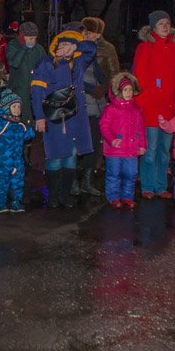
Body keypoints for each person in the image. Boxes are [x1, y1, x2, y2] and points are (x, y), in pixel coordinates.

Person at [30, 30, 97, 208]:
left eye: (68, 45)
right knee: (54, 157)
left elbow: (92, 48)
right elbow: (36, 91)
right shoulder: (46, 62)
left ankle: (65, 195)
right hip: (54, 117)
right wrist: (39, 117)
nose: (64, 48)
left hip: (76, 117)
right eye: (62, 45)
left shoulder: (79, 61)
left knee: (71, 156)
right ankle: (53, 196)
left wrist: (77, 46)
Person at [131, 10, 175, 199]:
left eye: (167, 23)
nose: (165, 26)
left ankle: (161, 185)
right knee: (151, 149)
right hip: (151, 107)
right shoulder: (145, 47)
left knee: (164, 150)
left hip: (170, 107)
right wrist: (140, 103)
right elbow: (138, 78)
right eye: (161, 23)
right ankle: (147, 185)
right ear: (153, 26)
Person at [77, 17, 121, 197]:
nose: (89, 35)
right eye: (86, 32)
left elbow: (111, 72)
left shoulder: (105, 49)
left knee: (94, 141)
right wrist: (91, 88)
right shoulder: (76, 48)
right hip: (80, 101)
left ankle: (87, 178)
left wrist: (105, 88)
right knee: (80, 142)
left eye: (92, 32)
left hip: (98, 101)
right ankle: (74, 178)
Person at [0, 89, 35, 212]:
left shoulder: (20, 125)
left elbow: (27, 135)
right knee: (2, 183)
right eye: (14, 106)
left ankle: (16, 202)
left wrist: (33, 126)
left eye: (19, 107)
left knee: (18, 183)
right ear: (6, 108)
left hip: (17, 162)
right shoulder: (0, 123)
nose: (17, 109)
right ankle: (0, 203)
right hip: (2, 162)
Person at [99, 72, 146, 209]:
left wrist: (142, 144)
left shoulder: (136, 110)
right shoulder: (111, 109)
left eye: (131, 90)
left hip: (131, 149)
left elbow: (141, 129)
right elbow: (104, 125)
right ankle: (113, 197)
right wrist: (112, 139)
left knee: (131, 174)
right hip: (115, 149)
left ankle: (127, 196)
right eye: (125, 90)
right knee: (114, 174)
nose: (129, 92)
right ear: (118, 91)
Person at [6, 22, 46, 125]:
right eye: (29, 38)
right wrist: (24, 48)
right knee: (21, 114)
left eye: (34, 38)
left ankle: (29, 135)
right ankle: (22, 136)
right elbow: (14, 63)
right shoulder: (13, 45)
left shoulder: (39, 49)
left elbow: (45, 67)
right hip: (18, 87)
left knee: (33, 113)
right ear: (22, 36)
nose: (32, 41)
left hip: (35, 86)